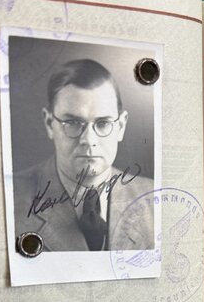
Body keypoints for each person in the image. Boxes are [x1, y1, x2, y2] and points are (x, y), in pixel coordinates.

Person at [13, 58, 154, 252]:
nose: (88, 139)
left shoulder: (154, 197)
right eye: (73, 123)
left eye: (103, 123)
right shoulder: (11, 199)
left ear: (121, 126)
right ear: (49, 123)